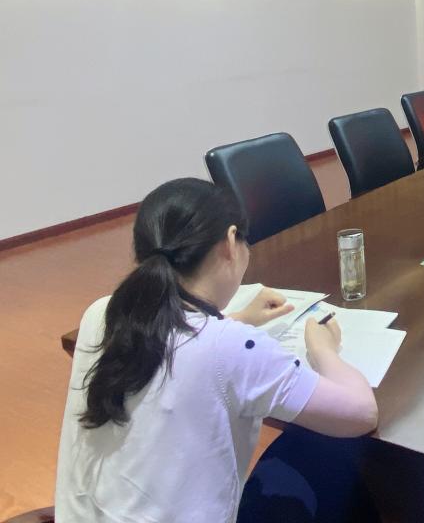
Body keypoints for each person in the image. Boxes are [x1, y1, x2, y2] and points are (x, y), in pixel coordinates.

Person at [56, 178, 379, 522]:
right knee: (324, 447)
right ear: (229, 242)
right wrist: (324, 349)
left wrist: (238, 318)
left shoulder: (103, 313)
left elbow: (174, 339)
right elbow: (361, 414)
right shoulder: (233, 347)